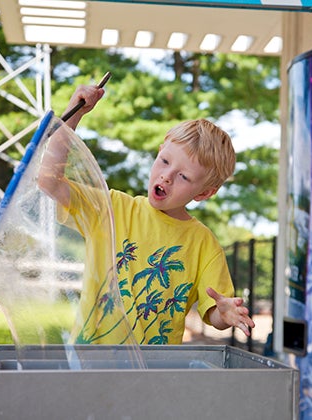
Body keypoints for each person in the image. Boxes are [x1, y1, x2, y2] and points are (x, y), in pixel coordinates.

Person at [37, 82, 255, 345]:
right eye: (164, 161)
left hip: (155, 371)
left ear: (204, 193)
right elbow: (48, 181)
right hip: (89, 361)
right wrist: (75, 113)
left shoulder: (204, 244)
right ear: (159, 150)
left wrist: (224, 313)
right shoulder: (112, 208)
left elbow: (213, 312)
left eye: (184, 176)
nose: (167, 175)